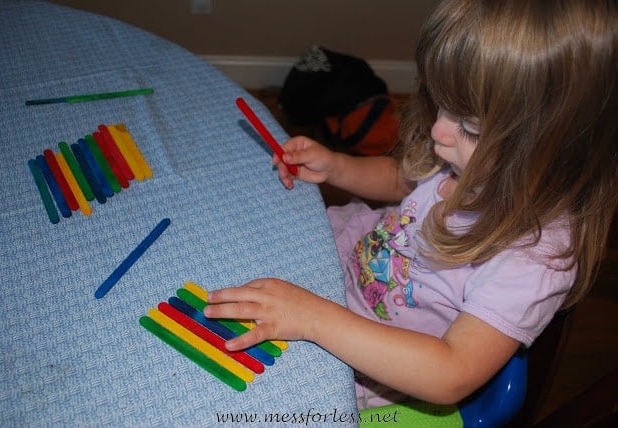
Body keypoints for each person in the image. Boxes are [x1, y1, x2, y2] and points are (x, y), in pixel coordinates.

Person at [204, 0, 618, 409]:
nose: (438, 130)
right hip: (351, 256)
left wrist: (313, 318)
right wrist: (338, 166)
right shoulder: (466, 153)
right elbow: (403, 178)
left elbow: (450, 374)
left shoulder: (534, 259)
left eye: (470, 126)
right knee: (227, 244)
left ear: (555, 144)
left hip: (375, 352)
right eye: (440, 103)